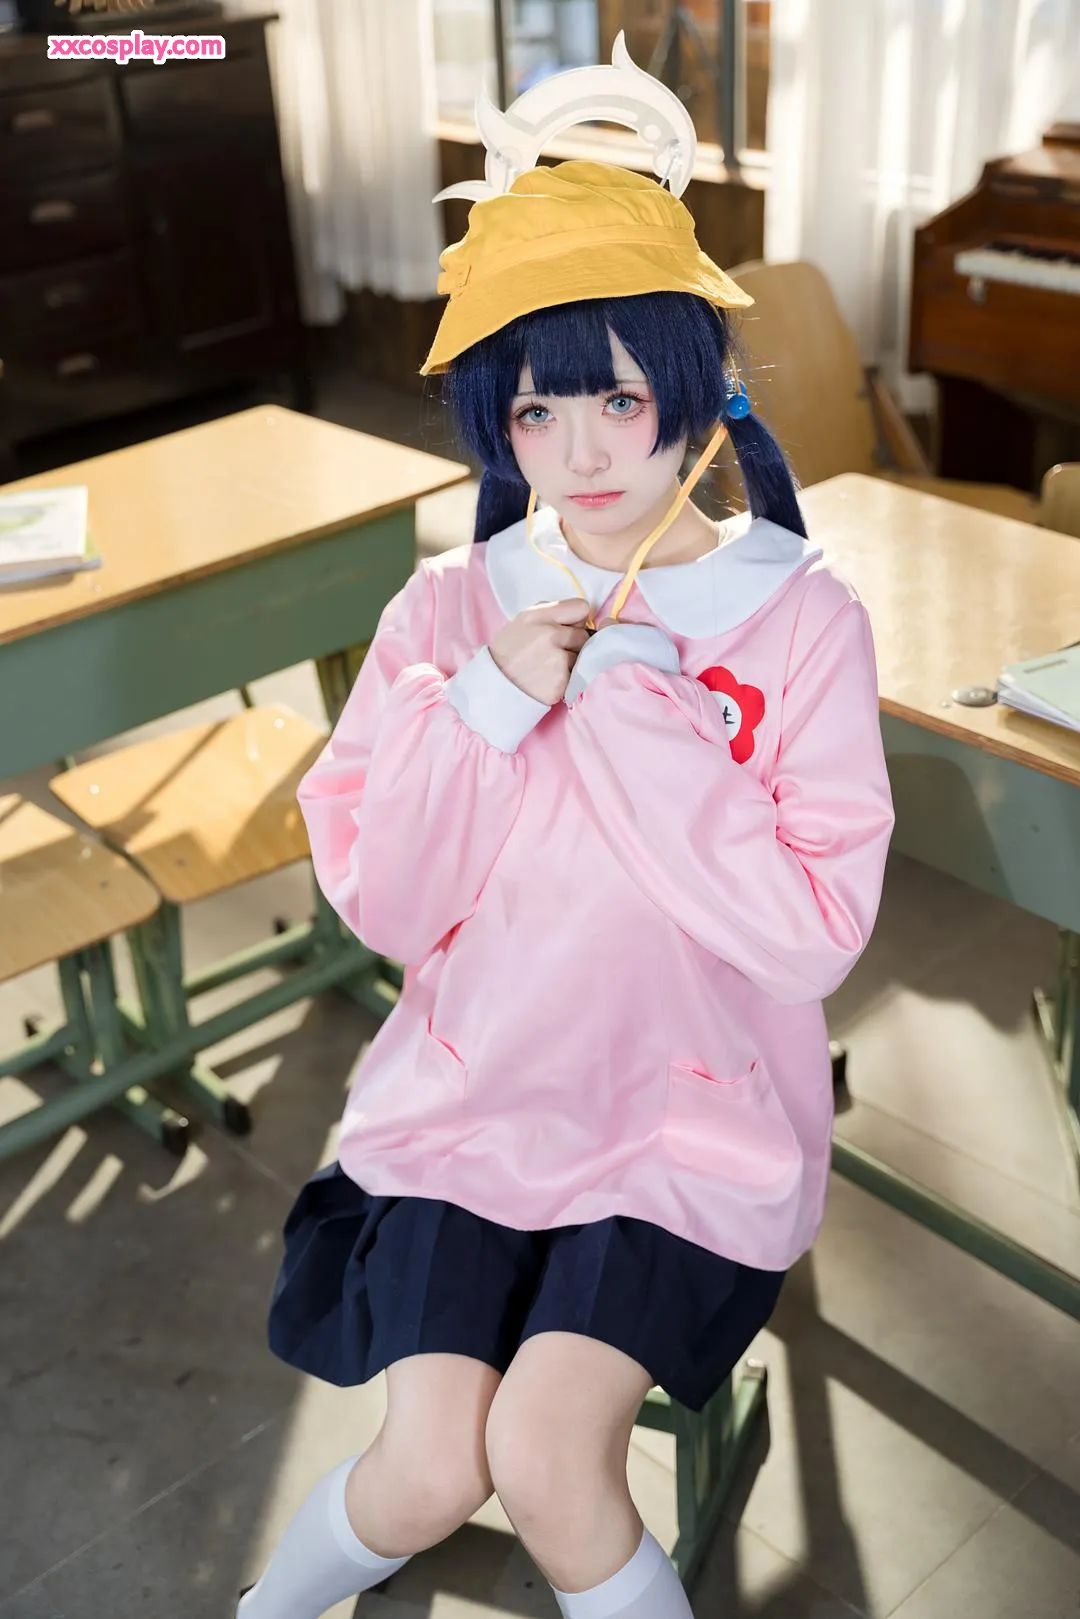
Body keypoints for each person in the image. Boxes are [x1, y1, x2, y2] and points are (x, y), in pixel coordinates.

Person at [237, 50, 895, 1619]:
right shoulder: (448, 608)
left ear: (697, 388)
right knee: (423, 1468)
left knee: (548, 1456)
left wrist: (637, 711)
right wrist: (479, 706)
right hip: (476, 1100)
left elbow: (813, 934)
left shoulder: (801, 620)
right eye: (536, 406)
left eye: (618, 395)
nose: (583, 452)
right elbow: (387, 899)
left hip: (686, 1125)